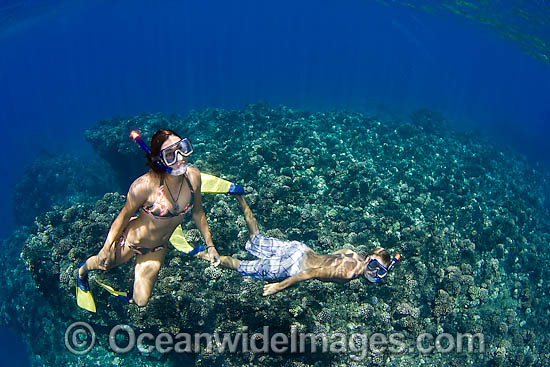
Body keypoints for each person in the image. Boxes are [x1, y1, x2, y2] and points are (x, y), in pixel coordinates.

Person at [77, 129, 220, 311]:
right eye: (170, 154)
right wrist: (106, 248)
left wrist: (210, 245)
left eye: (183, 148)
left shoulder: (194, 177)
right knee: (104, 264)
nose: (180, 157)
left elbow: (198, 212)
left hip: (157, 247)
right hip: (130, 241)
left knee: (141, 301)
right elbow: (122, 218)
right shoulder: (144, 186)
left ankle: (128, 294)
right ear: (159, 161)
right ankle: (81, 272)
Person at [199, 195, 400, 296]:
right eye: (373, 266)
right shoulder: (348, 273)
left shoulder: (352, 254)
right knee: (242, 266)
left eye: (380, 271)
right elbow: (310, 274)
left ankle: (240, 197)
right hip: (294, 266)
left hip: (301, 249)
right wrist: (279, 286)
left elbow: (331, 256)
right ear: (368, 259)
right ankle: (201, 254)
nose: (374, 272)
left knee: (256, 238)